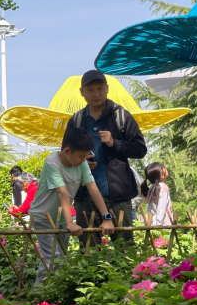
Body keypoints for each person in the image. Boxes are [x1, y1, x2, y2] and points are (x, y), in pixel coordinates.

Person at [67, 69, 147, 245]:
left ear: (107, 89)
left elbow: (140, 149)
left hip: (117, 195)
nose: (96, 94)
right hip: (84, 196)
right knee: (88, 251)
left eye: (100, 88)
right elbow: (66, 154)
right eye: (90, 90)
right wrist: (80, 162)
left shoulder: (121, 116)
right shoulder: (76, 120)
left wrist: (114, 143)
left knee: (125, 249)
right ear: (82, 92)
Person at [30, 127, 115, 283]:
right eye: (81, 157)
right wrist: (70, 223)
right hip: (43, 216)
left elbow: (93, 189)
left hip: (62, 218)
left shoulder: (81, 164)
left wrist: (107, 218)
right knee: (52, 259)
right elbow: (62, 192)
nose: (83, 161)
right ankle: (38, 295)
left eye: (85, 157)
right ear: (68, 151)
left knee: (61, 260)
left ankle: (55, 295)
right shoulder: (52, 162)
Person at [141, 162, 174, 227]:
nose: (166, 168)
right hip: (163, 225)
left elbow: (150, 208)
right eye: (164, 168)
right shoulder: (164, 188)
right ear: (162, 175)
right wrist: (159, 226)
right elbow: (162, 208)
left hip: (152, 223)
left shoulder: (152, 187)